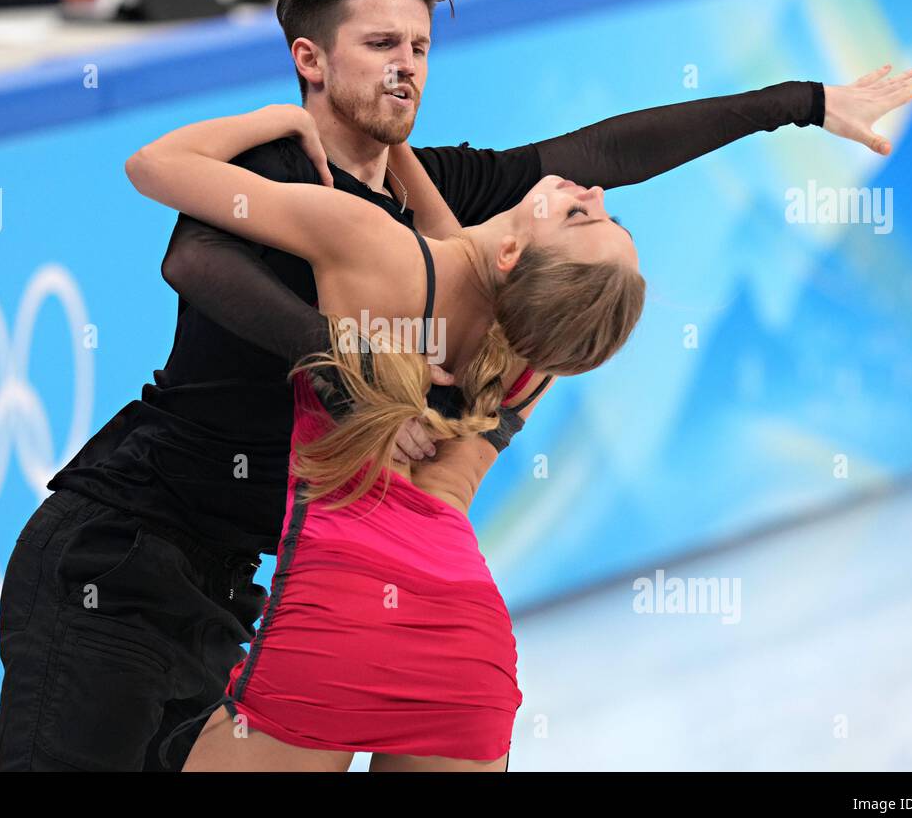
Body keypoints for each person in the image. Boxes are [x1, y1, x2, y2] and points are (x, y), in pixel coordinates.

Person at [0, 0, 912, 772]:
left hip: (236, 577)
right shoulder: (284, 177)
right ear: (309, 61)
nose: (407, 68)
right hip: (122, 546)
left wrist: (799, 103)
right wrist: (337, 359)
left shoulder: (438, 195)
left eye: (419, 48)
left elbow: (608, 148)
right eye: (381, 46)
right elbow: (190, 256)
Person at [122, 100, 645, 770]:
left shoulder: (366, 242)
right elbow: (456, 252)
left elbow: (155, 166)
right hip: (469, 649)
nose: (595, 191)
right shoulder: (534, 360)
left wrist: (287, 117)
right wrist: (397, 147)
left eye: (581, 216)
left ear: (514, 254)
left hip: (343, 613)